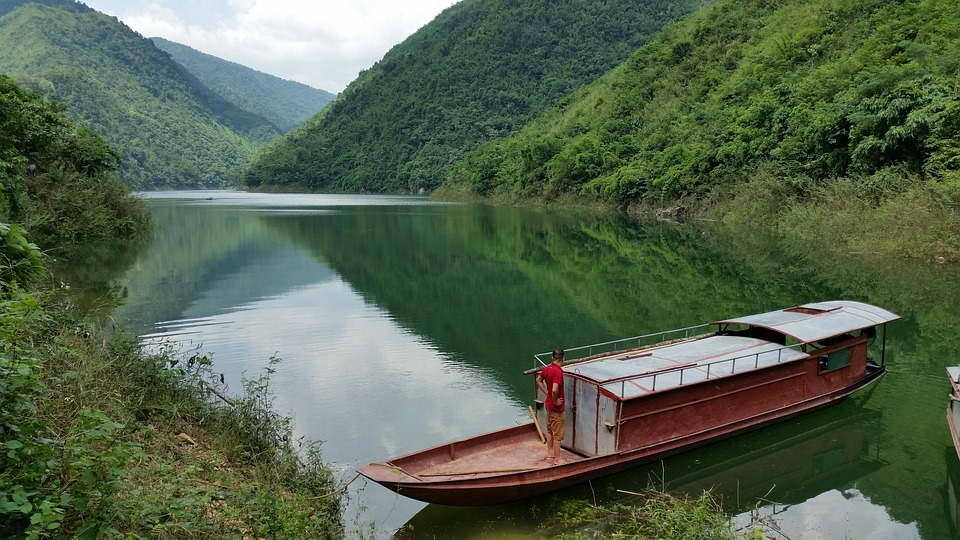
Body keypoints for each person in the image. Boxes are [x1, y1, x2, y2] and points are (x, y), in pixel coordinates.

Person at [536, 348, 566, 464]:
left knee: (549, 430)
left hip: (548, 405)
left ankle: (550, 453)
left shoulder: (547, 368)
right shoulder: (558, 372)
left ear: (552, 358)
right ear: (563, 359)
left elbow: (539, 380)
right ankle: (558, 459)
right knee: (558, 434)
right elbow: (555, 390)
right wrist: (555, 401)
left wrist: (546, 393)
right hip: (556, 408)